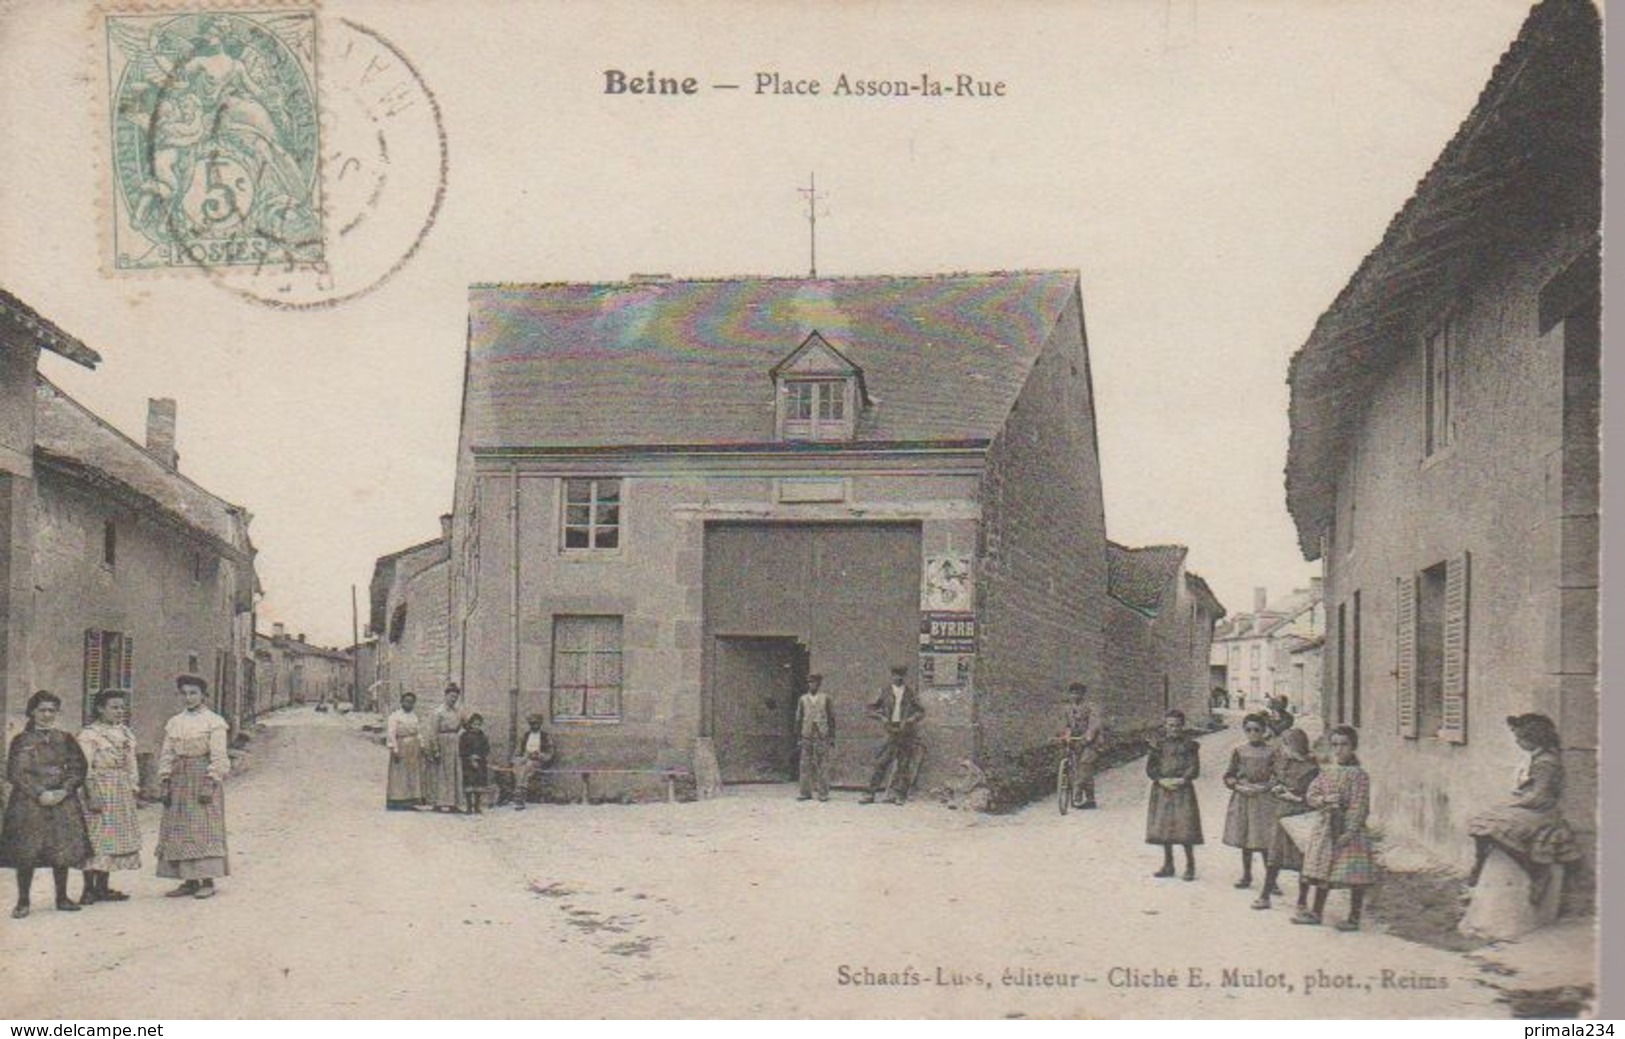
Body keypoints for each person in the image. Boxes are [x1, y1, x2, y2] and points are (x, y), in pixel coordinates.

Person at [1466, 713, 1580, 904]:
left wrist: (1511, 804)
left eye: (1521, 738)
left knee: (1491, 828)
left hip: (1542, 812)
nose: (1518, 742)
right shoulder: (1536, 758)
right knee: (1480, 823)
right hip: (1529, 808)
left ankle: (1536, 872)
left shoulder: (1546, 762)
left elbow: (1539, 796)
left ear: (1535, 738)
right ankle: (1479, 865)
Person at [0, 691, 92, 917]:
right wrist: (39, 793)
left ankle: (62, 897)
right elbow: (16, 772)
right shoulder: (22, 740)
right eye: (42, 710)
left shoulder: (66, 738)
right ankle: (23, 901)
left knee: (61, 849)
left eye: (52, 710)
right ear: (32, 712)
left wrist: (64, 790)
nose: (47, 715)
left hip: (62, 800)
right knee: (27, 851)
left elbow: (78, 767)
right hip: (29, 802)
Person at [154, 674, 231, 900]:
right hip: (179, 777)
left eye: (193, 693)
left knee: (202, 826)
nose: (188, 698)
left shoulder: (214, 722)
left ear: (203, 695)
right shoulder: (175, 722)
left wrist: (211, 782)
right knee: (179, 826)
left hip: (201, 775)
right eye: (184, 693)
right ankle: (187, 880)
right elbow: (167, 753)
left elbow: (218, 756)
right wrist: (165, 780)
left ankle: (207, 879)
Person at [1293, 724, 1375, 931]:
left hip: (1348, 831)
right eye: (1335, 744)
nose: (1339, 749)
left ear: (1353, 746)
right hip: (1326, 827)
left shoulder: (1359, 775)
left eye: (1344, 744)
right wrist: (1325, 799)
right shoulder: (1327, 771)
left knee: (1354, 873)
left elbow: (1359, 805)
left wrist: (1348, 832)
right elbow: (1311, 795)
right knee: (1323, 871)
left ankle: (1354, 918)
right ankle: (1315, 912)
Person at [76, 689, 143, 905]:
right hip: (98, 787)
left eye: (122, 707)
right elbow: (84, 766)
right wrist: (91, 793)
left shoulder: (125, 733)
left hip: (119, 788)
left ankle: (102, 887)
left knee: (112, 836)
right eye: (114, 707)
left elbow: (131, 763)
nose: (119, 711)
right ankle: (88, 889)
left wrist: (132, 787)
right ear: (100, 709)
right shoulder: (90, 735)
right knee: (95, 836)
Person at [1251, 727, 1320, 912]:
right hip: (1282, 814)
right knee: (1274, 857)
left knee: (1302, 861)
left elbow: (1314, 796)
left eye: (1286, 745)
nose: (1283, 749)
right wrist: (1276, 788)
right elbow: (1276, 779)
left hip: (1301, 816)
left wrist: (1296, 797)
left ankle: (1302, 902)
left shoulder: (1312, 768)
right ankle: (1265, 896)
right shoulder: (1284, 763)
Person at [1145, 709, 1203, 881]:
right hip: (1162, 789)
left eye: (1177, 726)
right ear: (1165, 726)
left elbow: (1194, 767)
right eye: (1170, 725)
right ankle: (1168, 864)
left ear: (1182, 726)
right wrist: (1160, 780)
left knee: (1185, 826)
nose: (1174, 729)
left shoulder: (1190, 745)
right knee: (1165, 827)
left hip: (1182, 789)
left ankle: (1190, 865)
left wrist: (1183, 779)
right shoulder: (1158, 745)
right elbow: (1151, 768)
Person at [1222, 712, 1278, 889]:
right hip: (1244, 798)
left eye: (1257, 729)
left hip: (1263, 799)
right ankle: (1247, 875)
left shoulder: (1272, 752)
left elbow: (1278, 776)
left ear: (1264, 730)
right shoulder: (1239, 751)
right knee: (1245, 838)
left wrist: (1266, 787)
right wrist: (1238, 786)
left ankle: (1271, 881)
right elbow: (1229, 776)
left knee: (1264, 839)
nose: (1253, 733)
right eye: (1249, 730)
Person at [860, 665, 924, 805]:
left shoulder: (910, 693)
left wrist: (910, 720)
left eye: (901, 675)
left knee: (903, 765)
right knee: (881, 763)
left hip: (905, 731)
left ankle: (900, 796)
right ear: (892, 676)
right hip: (889, 730)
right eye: (896, 674)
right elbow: (870, 709)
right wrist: (881, 717)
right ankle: (869, 794)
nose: (898, 677)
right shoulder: (884, 692)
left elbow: (920, 711)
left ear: (905, 676)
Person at [1061, 683, 1104, 809]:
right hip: (1076, 742)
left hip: (1092, 743)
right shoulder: (1068, 709)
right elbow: (1067, 725)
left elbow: (1095, 724)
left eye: (1078, 693)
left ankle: (1077, 795)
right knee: (1082, 770)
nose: (1075, 696)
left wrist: (1088, 737)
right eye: (1072, 693)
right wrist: (1067, 736)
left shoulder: (1091, 707)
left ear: (1083, 695)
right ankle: (1091, 800)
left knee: (1085, 765)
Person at [795, 674, 836, 802]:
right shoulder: (802, 699)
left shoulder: (826, 698)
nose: (813, 685)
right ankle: (805, 792)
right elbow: (798, 718)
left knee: (823, 764)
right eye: (810, 682)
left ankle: (823, 793)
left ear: (819, 684)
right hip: (806, 734)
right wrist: (799, 737)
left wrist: (832, 736)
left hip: (821, 735)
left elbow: (831, 718)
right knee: (805, 764)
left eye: (815, 683)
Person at [426, 683, 466, 812]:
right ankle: (438, 803)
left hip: (454, 743)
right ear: (445, 696)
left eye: (456, 697)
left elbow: (464, 725)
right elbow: (433, 731)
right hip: (442, 742)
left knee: (454, 773)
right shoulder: (438, 712)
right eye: (451, 696)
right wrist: (436, 749)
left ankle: (453, 803)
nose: (453, 699)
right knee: (441, 774)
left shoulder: (458, 712)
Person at [385, 692, 427, 810]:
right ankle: (397, 800)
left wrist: (422, 746)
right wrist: (394, 748)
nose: (409, 704)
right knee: (399, 774)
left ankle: (410, 800)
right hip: (401, 744)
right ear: (401, 702)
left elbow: (418, 732)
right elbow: (391, 733)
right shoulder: (395, 716)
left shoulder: (414, 716)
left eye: (411, 702)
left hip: (413, 747)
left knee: (412, 773)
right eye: (406, 701)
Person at [509, 712, 556, 810]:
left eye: (536, 723)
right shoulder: (525, 736)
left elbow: (550, 754)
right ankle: (520, 791)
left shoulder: (545, 737)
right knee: (518, 766)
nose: (534, 725)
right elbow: (517, 752)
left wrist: (539, 755)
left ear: (540, 724)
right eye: (532, 724)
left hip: (537, 761)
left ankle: (519, 794)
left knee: (528, 766)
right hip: (525, 759)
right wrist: (521, 758)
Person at [459, 713, 492, 815]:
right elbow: (461, 749)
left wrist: (480, 756)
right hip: (468, 763)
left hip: (480, 763)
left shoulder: (483, 736)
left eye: (479, 724)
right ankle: (469, 807)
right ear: (470, 724)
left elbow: (486, 749)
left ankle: (477, 806)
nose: (476, 726)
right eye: (474, 724)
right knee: (469, 785)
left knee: (478, 785)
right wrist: (470, 757)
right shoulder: (464, 736)